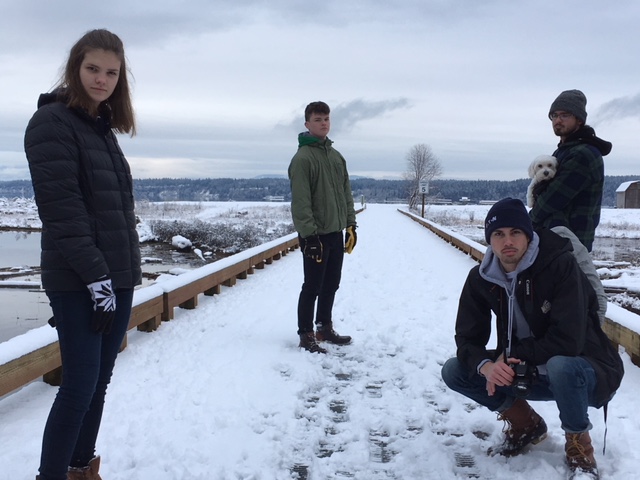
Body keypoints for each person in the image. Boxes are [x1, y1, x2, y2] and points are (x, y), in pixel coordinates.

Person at [25, 29, 141, 480]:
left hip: (117, 277)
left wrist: (121, 274)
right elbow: (63, 211)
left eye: (111, 73)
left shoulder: (102, 127)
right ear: (75, 67)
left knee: (97, 383)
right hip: (79, 279)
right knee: (78, 386)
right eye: (93, 68)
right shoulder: (51, 123)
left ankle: (81, 468)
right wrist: (97, 278)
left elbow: (113, 211)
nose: (101, 80)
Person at [441, 198, 623, 479]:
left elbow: (569, 341)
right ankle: (526, 425)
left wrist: (511, 355)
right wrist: (487, 366)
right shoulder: (481, 278)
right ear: (489, 239)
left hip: (584, 372)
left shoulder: (560, 265)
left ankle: (579, 449)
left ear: (528, 235)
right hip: (526, 371)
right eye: (498, 234)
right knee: (455, 371)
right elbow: (467, 338)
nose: (507, 241)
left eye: (515, 232)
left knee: (562, 365)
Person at [288, 101, 357, 354]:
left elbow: (345, 193)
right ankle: (306, 334)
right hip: (315, 235)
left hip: (335, 232)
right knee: (312, 286)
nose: (323, 123)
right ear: (307, 124)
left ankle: (324, 327)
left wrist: (350, 224)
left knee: (331, 284)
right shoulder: (303, 159)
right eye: (318, 119)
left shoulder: (336, 157)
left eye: (326, 119)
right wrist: (309, 236)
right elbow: (301, 202)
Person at [529, 89, 612, 253]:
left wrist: (525, 223)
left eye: (565, 115)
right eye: (554, 115)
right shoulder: (563, 151)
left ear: (579, 119)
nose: (557, 120)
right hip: (556, 239)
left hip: (571, 243)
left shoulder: (583, 154)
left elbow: (552, 199)